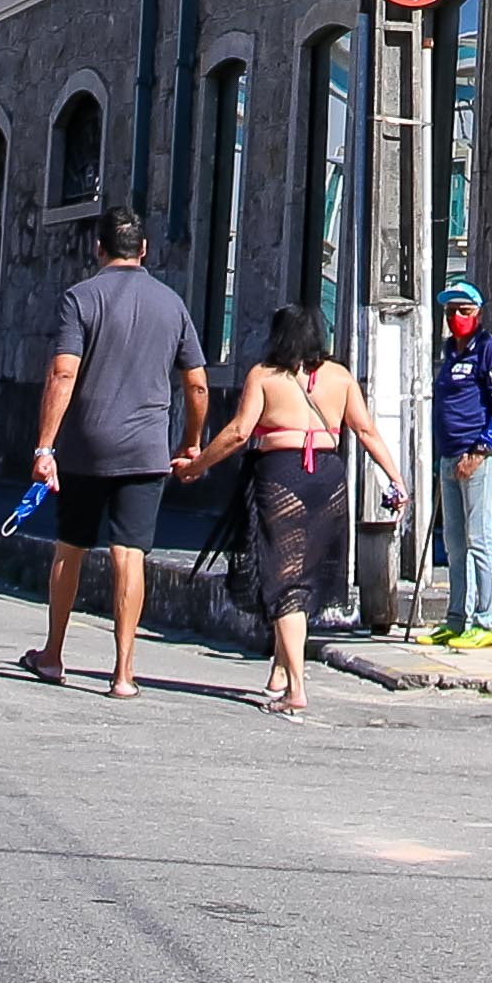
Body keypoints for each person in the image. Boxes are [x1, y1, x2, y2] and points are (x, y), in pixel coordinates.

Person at [173, 300, 406, 717]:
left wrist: (197, 465)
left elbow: (240, 432)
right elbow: (366, 429)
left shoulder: (264, 377)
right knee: (304, 573)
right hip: (328, 478)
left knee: (283, 582)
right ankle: (281, 668)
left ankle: (296, 686)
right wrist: (396, 478)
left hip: (281, 475)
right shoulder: (339, 376)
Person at [24, 213, 212, 698]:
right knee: (131, 556)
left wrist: (46, 447)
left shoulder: (81, 298)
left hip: (86, 446)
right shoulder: (172, 305)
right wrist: (192, 441)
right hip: (147, 450)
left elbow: (63, 374)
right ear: (144, 248)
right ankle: (124, 673)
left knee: (71, 548)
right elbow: (197, 383)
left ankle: (53, 654)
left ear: (98, 248)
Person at [427, 278, 492, 647]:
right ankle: (457, 617)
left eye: (463, 310)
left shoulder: (489, 350)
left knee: (480, 537)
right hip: (449, 456)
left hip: (476, 456)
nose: (456, 317)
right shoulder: (450, 353)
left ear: (477, 313)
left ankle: (486, 620)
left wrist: (479, 451)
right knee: (453, 541)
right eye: (450, 311)